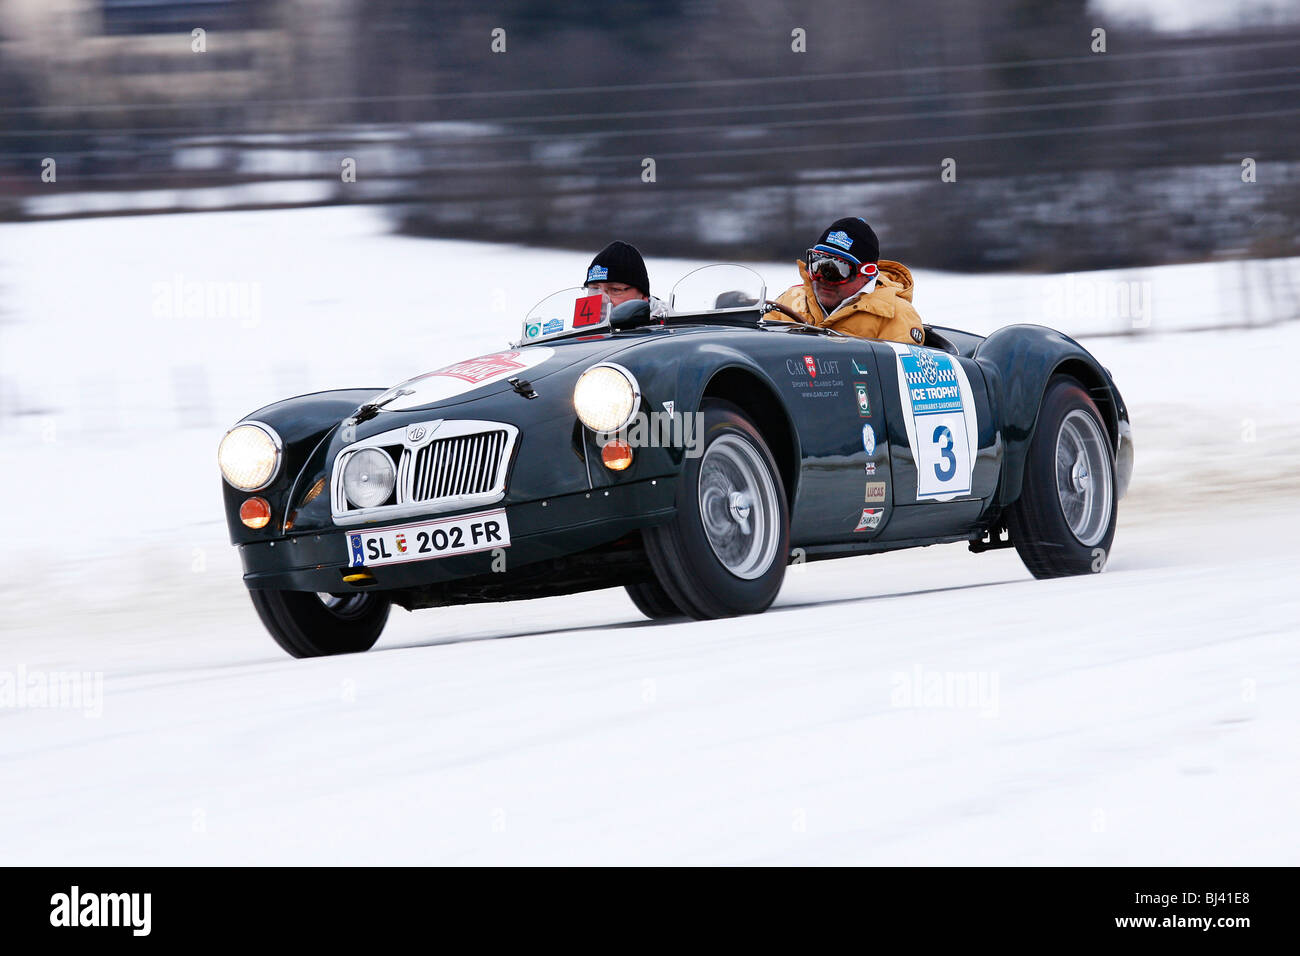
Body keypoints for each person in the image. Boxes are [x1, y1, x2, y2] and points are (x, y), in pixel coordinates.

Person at [770, 218, 925, 345]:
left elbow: (897, 376)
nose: (823, 278)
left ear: (867, 272)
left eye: (837, 269)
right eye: (818, 264)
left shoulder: (897, 315)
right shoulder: (790, 299)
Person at [584, 240, 667, 316]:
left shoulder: (666, 330)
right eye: (594, 289)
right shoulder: (583, 330)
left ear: (643, 297)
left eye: (615, 290)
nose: (601, 300)